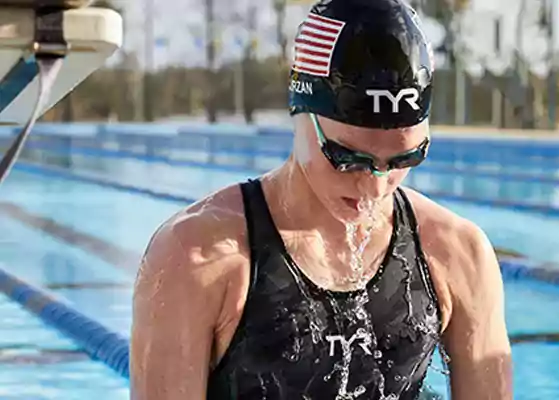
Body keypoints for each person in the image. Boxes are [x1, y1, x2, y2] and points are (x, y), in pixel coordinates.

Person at [129, 0, 513, 399]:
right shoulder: (196, 255)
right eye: (348, 158)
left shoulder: (457, 253)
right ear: (300, 114)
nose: (376, 186)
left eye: (405, 158)